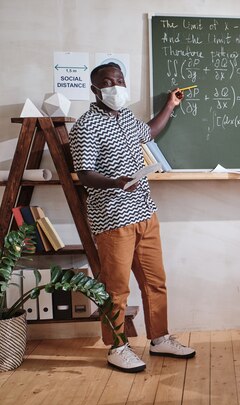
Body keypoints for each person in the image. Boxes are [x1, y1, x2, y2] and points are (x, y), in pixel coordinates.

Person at [69, 63, 195, 373]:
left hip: (144, 211)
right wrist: (116, 181)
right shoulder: (86, 125)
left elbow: (149, 131)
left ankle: (160, 338)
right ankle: (117, 347)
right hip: (113, 219)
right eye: (107, 82)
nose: (115, 86)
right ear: (95, 89)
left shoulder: (125, 116)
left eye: (119, 80)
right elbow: (84, 174)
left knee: (155, 282)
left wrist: (170, 105)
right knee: (117, 288)